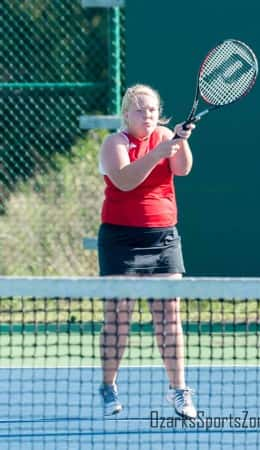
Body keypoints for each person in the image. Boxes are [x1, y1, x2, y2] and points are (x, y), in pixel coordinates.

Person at [98, 84, 196, 419]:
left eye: (152, 109)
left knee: (169, 315)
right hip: (121, 240)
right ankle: (108, 386)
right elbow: (126, 181)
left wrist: (179, 143)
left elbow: (182, 169)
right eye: (140, 109)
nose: (148, 115)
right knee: (119, 315)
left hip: (164, 238)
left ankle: (179, 391)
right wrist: (156, 153)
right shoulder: (115, 143)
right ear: (126, 114)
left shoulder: (167, 135)